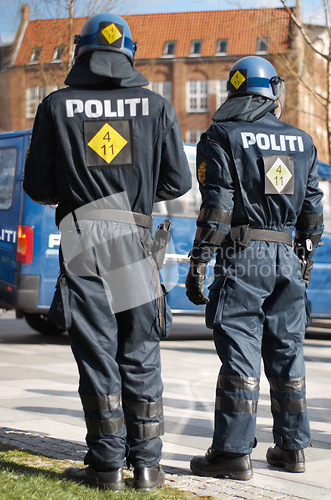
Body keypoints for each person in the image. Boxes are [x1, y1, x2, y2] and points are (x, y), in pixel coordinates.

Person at [24, 13, 191, 491]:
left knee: (97, 354)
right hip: (134, 237)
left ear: (82, 52)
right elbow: (178, 182)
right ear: (129, 55)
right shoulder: (156, 107)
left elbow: (37, 185)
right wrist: (136, 188)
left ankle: (105, 466)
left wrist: (78, 189)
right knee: (140, 352)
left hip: (80, 238)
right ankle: (146, 467)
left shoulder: (57, 105)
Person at [185, 56, 324, 480]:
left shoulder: (222, 135)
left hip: (244, 256)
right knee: (288, 352)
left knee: (241, 355)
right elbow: (313, 211)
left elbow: (218, 207)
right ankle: (293, 448)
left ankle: (231, 454)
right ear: (273, 92)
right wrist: (304, 263)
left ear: (234, 91)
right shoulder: (303, 141)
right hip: (286, 256)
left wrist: (200, 262)